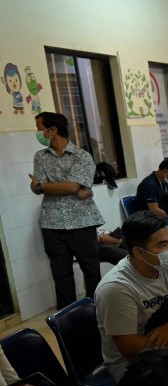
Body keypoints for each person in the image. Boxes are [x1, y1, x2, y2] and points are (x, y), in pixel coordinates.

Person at [94, 211, 168, 381]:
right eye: (162, 245)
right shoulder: (117, 288)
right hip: (135, 365)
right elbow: (129, 348)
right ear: (139, 253)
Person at [31, 111, 104, 310]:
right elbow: (37, 188)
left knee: (91, 270)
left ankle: (96, 312)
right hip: (52, 223)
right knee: (60, 274)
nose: (38, 134)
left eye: (39, 129)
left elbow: (71, 186)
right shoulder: (40, 157)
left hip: (82, 221)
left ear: (52, 130)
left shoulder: (82, 156)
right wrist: (47, 187)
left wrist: (43, 186)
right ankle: (66, 318)